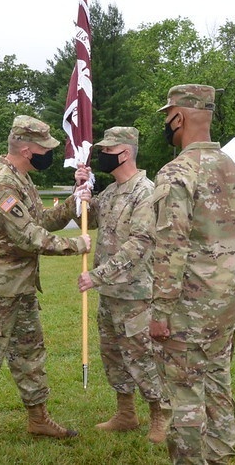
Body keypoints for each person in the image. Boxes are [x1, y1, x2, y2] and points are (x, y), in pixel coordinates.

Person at [0, 115, 92, 453]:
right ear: (26, 149)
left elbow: (41, 220)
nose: (49, 153)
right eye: (44, 148)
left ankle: (38, 417)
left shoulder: (21, 178)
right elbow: (27, 237)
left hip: (21, 287)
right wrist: (75, 245)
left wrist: (73, 201)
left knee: (30, 354)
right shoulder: (0, 184)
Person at [150, 84, 235, 464]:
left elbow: (170, 247)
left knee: (186, 395)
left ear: (178, 116)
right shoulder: (234, 169)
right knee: (219, 385)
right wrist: (234, 290)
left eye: (167, 117)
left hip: (187, 310)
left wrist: (160, 311)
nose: (167, 124)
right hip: (224, 303)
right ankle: (221, 458)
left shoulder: (178, 172)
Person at [73, 127, 167, 444]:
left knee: (142, 357)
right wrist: (83, 193)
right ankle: (126, 413)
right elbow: (90, 218)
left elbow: (140, 244)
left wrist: (97, 275)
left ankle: (159, 414)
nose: (102, 155)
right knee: (113, 356)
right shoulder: (113, 192)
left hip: (135, 294)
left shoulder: (145, 192)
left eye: (107, 150)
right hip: (111, 295)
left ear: (124, 152)